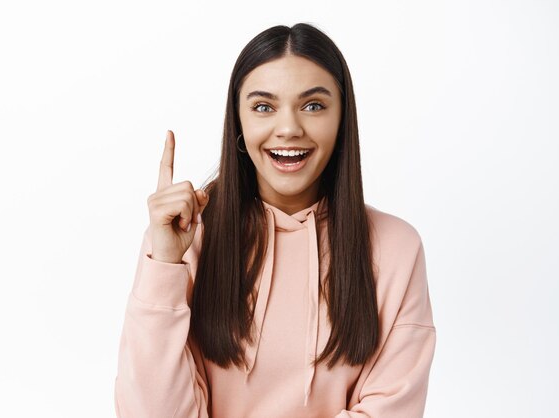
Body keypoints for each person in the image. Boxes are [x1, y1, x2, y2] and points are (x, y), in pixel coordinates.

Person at [114, 22, 436, 418]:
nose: (288, 128)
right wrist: (164, 265)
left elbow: (391, 409)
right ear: (239, 121)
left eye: (313, 105)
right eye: (263, 107)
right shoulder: (184, 239)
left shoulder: (396, 248)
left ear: (342, 119)